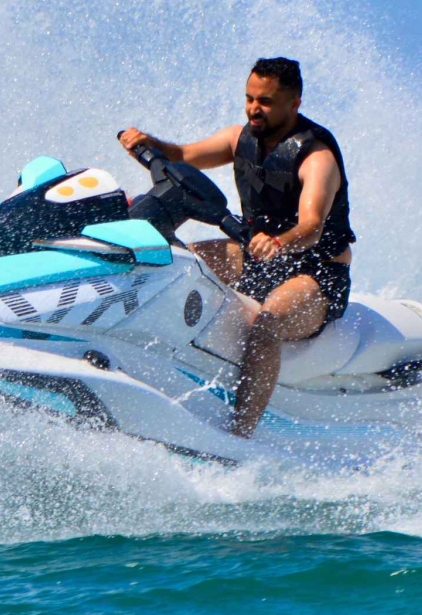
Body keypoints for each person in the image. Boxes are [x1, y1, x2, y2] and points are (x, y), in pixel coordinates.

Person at [119, 57, 355, 438]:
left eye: (265, 102)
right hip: (256, 255)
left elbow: (312, 225)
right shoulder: (239, 138)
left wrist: (279, 241)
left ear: (294, 103)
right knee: (175, 262)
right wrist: (150, 144)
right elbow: (182, 155)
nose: (253, 109)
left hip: (316, 272)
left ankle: (240, 434)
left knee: (267, 324)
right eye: (249, 98)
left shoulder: (317, 158)